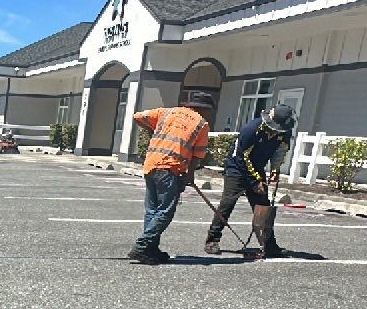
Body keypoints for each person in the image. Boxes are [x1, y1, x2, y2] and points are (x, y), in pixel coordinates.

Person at [127, 92, 213, 264]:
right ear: (204, 109)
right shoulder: (201, 124)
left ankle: (150, 249)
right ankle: (143, 246)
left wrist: (155, 131)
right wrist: (189, 176)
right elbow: (197, 155)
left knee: (153, 210)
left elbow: (137, 117)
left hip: (151, 164)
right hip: (169, 168)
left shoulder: (166, 113)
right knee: (165, 211)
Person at [203, 104, 297, 257]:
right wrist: (254, 182)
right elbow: (242, 158)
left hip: (257, 168)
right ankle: (212, 240)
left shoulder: (285, 132)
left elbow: (280, 152)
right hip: (237, 168)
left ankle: (269, 245)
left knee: (264, 207)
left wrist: (275, 169)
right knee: (227, 203)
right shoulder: (251, 129)